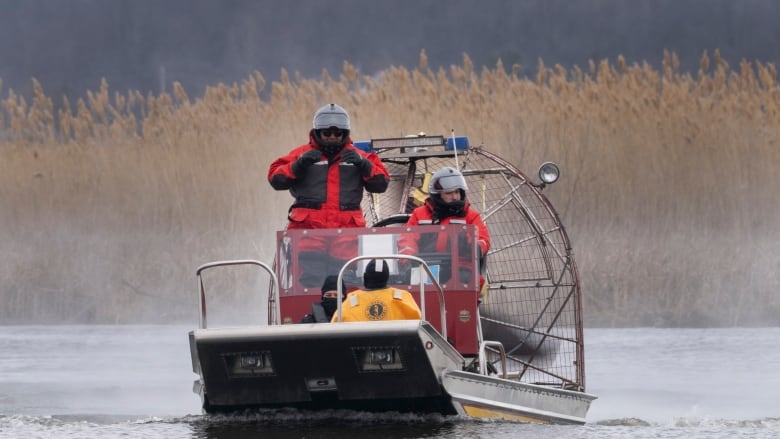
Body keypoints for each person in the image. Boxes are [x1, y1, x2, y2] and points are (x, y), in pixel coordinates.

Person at [268, 104, 390, 286]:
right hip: (308, 233)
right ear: (317, 132)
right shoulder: (301, 154)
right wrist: (298, 165)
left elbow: (381, 182)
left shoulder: (359, 156)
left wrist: (363, 165)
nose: (332, 137)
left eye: (337, 133)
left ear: (345, 133)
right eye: (327, 133)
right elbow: (276, 178)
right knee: (308, 285)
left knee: (346, 284)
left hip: (346, 234)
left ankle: (346, 313)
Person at [397, 167, 491, 287]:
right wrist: (408, 261)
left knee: (464, 280)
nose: (455, 197)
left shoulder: (471, 216)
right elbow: (407, 238)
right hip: (426, 266)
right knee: (410, 283)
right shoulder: (419, 214)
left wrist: (472, 246)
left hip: (460, 269)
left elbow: (484, 240)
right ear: (437, 195)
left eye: (457, 192)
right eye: (449, 193)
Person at [331, 259, 421, 322]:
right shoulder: (403, 297)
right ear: (387, 278)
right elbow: (419, 323)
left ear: (365, 277)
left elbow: (335, 327)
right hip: (397, 347)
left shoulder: (352, 300)